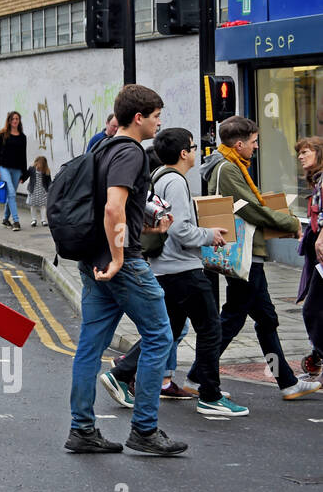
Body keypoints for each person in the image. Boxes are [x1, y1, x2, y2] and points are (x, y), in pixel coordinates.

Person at [65, 84, 187, 455]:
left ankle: (82, 430)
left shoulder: (102, 147)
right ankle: (145, 430)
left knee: (90, 346)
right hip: (123, 263)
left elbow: (117, 209)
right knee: (160, 337)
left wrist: (144, 226)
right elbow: (113, 209)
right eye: (155, 117)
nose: (159, 123)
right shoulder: (130, 152)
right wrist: (119, 257)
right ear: (139, 118)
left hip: (93, 261)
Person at [99, 127, 247, 416]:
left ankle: (120, 374)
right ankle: (211, 396)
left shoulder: (157, 176)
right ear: (183, 153)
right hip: (183, 269)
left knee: (168, 329)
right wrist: (209, 234)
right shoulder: (176, 182)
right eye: (193, 147)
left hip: (163, 268)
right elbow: (180, 229)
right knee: (210, 328)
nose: (195, 152)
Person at [200, 116, 320, 400]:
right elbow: (250, 209)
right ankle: (199, 374)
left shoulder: (232, 165)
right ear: (239, 144)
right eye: (253, 143)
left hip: (250, 254)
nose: (256, 148)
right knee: (233, 319)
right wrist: (290, 223)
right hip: (244, 255)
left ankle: (287, 382)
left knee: (266, 318)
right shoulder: (228, 169)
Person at [297, 137, 323, 377]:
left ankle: (319, 355)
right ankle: (317, 356)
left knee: (312, 310)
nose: (300, 156)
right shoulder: (317, 182)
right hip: (316, 257)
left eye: (305, 152)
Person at [0, 111, 28, 230]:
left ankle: (5, 219)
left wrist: (24, 174)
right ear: (9, 120)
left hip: (17, 169)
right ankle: (16, 221)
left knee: (11, 195)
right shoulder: (2, 135)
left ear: (19, 121)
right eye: (12, 119)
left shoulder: (23, 137)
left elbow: (24, 156)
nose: (15, 121)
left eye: (17, 119)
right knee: (12, 193)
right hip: (4, 168)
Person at [26, 155, 51, 227]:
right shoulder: (31, 169)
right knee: (33, 205)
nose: (39, 168)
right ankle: (34, 220)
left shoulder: (46, 170)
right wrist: (21, 178)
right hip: (33, 190)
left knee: (43, 206)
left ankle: (43, 220)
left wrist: (50, 188)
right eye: (38, 165)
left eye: (41, 166)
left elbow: (49, 181)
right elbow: (26, 175)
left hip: (42, 190)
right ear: (36, 163)